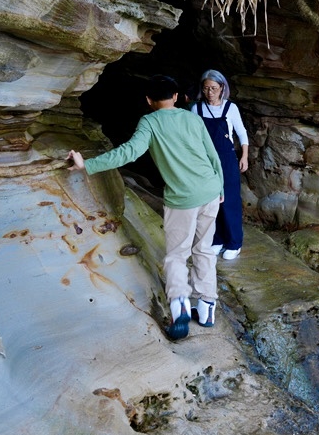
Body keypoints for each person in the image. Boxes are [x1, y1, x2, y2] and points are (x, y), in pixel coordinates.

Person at [66, 75, 224, 340]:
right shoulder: (192, 118)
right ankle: (207, 310)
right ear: (176, 97)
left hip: (183, 199)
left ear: (149, 100)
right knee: (204, 249)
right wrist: (220, 188)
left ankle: (180, 307)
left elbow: (128, 152)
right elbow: (212, 154)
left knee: (177, 255)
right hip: (210, 190)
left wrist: (87, 165)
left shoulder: (149, 122)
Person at [192, 69, 249, 261]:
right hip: (205, 160)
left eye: (214, 88)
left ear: (222, 88)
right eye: (206, 88)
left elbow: (241, 133)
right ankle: (217, 239)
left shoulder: (230, 108)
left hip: (226, 159)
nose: (209, 92)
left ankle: (234, 243)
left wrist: (244, 156)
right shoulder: (196, 109)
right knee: (210, 201)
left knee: (230, 201)